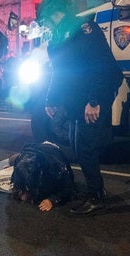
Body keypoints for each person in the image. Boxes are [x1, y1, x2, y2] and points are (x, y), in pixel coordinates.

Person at [37, 0, 124, 214]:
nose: (44, 25)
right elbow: (58, 73)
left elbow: (101, 66)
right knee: (77, 145)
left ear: (55, 13)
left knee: (84, 148)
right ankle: (95, 191)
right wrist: (50, 99)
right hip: (78, 97)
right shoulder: (58, 38)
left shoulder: (84, 29)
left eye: (45, 20)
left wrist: (95, 101)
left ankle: (96, 197)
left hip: (95, 92)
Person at [10, 142, 76, 212]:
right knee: (11, 160)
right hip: (34, 148)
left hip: (55, 150)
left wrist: (52, 200)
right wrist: (19, 188)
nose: (23, 198)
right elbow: (16, 179)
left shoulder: (54, 169)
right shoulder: (20, 164)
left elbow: (69, 188)